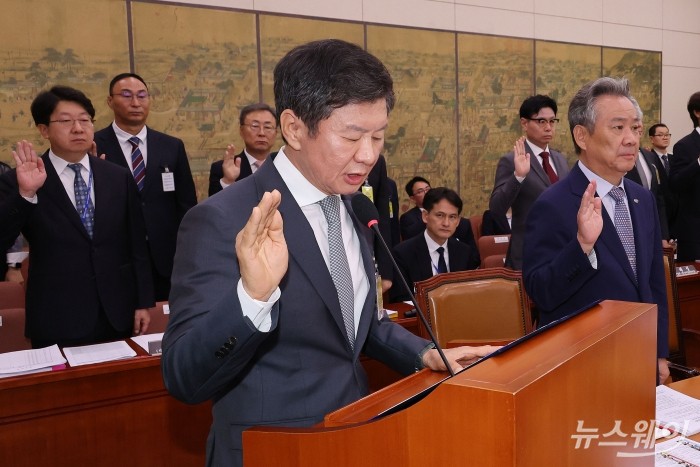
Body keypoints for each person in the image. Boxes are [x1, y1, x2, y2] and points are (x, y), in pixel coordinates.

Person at [161, 39, 496, 467]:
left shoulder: (353, 205)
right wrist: (253, 299)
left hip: (354, 434)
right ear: (294, 127)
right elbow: (184, 377)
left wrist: (423, 354)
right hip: (274, 451)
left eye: (378, 136)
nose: (369, 155)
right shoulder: (223, 219)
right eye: (352, 136)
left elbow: (356, 322)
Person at [522, 77, 669, 383]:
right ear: (582, 136)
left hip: (640, 362)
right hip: (585, 369)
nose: (631, 139)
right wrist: (581, 247)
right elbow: (541, 292)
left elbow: (654, 284)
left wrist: (659, 352)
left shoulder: (643, 199)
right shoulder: (554, 203)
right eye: (618, 127)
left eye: (636, 128)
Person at [0, 86, 154, 348]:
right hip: (57, 315)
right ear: (44, 130)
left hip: (116, 312)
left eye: (84, 120)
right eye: (66, 121)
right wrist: (26, 194)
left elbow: (137, 244)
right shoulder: (22, 179)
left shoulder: (116, 177)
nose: (78, 128)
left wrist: (143, 301)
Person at [94, 73, 198, 301]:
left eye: (142, 96)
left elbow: (186, 205)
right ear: (110, 101)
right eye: (126, 95)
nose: (135, 103)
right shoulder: (94, 146)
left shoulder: (171, 146)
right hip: (118, 258)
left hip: (166, 259)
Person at [489, 95, 570, 270]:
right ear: (525, 124)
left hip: (561, 252)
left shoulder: (560, 159)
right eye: (541, 121)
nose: (548, 127)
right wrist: (518, 176)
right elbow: (496, 208)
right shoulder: (511, 160)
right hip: (528, 255)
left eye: (552, 121)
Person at [391, 187, 480, 302]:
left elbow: (471, 293)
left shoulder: (464, 252)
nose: (446, 223)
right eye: (440, 215)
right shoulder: (403, 253)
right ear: (425, 216)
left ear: (458, 221)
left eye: (452, 217)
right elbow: (401, 299)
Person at [208, 102, 278, 196]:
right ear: (241, 131)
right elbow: (214, 208)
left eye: (267, 127)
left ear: (276, 133)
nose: (262, 133)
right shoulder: (220, 169)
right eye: (255, 126)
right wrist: (228, 181)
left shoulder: (284, 167)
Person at [624, 125, 670, 243]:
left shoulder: (650, 156)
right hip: (630, 225)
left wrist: (664, 234)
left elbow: (658, 196)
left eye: (639, 131)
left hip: (652, 225)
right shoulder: (620, 157)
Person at [670, 92, 700, 261]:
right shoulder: (684, 145)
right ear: (697, 113)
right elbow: (674, 183)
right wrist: (698, 164)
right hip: (695, 236)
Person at [646, 123, 678, 239]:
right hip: (660, 212)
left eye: (667, 134)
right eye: (660, 135)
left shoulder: (675, 158)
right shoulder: (649, 159)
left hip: (677, 214)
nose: (665, 137)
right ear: (652, 139)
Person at [399, 176, 430, 240]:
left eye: (427, 189)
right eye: (420, 191)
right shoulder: (407, 218)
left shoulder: (444, 211)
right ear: (413, 199)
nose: (426, 193)